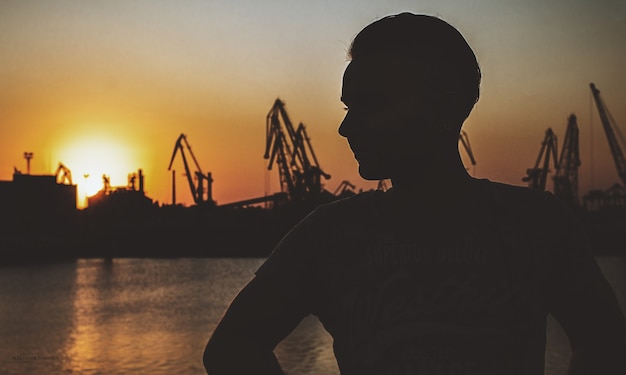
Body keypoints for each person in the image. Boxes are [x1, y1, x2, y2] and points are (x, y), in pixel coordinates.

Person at [203, 13, 626, 374]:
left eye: (369, 106)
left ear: (442, 110)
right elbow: (230, 349)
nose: (346, 128)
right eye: (348, 107)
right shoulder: (326, 235)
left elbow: (605, 343)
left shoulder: (539, 225)